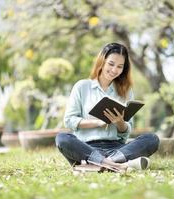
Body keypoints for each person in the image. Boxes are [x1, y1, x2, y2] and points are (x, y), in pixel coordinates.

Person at [56, 42, 160, 171]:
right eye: (111, 64)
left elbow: (126, 131)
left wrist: (120, 123)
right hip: (86, 148)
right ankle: (118, 166)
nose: (114, 70)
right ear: (102, 61)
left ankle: (98, 165)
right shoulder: (82, 86)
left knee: (152, 139)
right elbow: (69, 120)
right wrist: (98, 123)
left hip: (117, 149)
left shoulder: (126, 91)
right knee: (62, 138)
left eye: (120, 66)